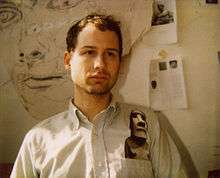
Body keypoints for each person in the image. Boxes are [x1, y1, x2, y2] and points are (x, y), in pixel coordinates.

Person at [11, 14, 188, 178]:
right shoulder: (38, 139)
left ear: (120, 62)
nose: (100, 64)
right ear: (67, 60)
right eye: (89, 52)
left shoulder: (148, 124)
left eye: (110, 54)